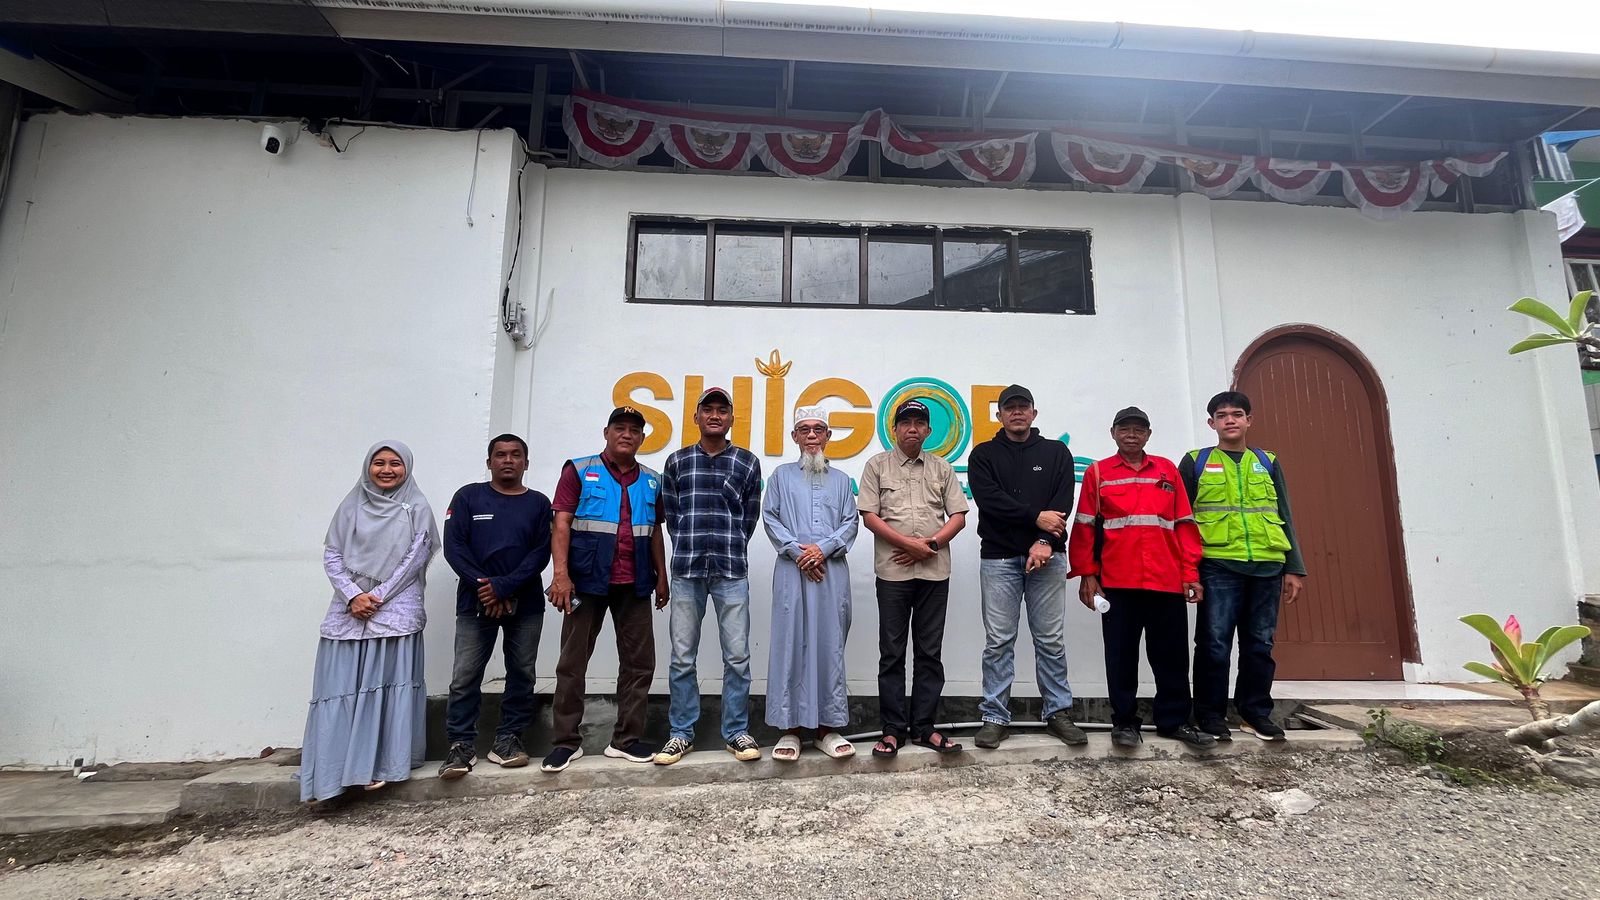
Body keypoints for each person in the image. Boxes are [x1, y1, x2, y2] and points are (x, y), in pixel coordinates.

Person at [1067, 407, 1215, 750]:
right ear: (1113, 433)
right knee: (1121, 657)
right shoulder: (1098, 473)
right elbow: (1085, 527)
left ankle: (1175, 721)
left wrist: (1190, 573)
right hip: (1118, 582)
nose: (1131, 435)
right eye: (1125, 429)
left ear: (1148, 434)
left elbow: (1184, 525)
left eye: (1138, 429)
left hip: (1166, 581)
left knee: (1172, 657)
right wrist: (1087, 575)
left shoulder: (1167, 470)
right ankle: (1124, 723)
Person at [299, 441, 439, 804]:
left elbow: (415, 558)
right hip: (351, 609)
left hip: (394, 610)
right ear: (367, 466)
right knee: (341, 686)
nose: (387, 470)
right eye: (379, 462)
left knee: (385, 684)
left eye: (395, 463)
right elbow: (333, 555)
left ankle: (378, 765)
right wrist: (352, 595)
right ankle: (330, 773)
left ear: (407, 468)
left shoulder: (417, 507)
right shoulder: (351, 505)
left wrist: (376, 596)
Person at [542, 406, 669, 772]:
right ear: (606, 432)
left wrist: (662, 575)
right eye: (619, 428)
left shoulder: (652, 480)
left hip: (635, 582)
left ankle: (626, 740)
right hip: (586, 581)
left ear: (642, 438)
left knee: (639, 664)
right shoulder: (579, 470)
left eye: (634, 430)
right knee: (572, 663)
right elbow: (561, 524)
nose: (626, 434)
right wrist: (561, 575)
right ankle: (566, 742)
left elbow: (654, 530)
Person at [1179, 391, 1308, 742]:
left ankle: (1254, 713)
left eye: (1237, 414)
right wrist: (1188, 571)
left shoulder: (1267, 461)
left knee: (1260, 644)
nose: (1230, 420)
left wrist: (1294, 567)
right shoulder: (1196, 461)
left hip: (1268, 566)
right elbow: (1182, 521)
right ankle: (1210, 714)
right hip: (1218, 566)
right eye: (1222, 416)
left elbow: (1284, 513)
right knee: (1214, 644)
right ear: (1212, 423)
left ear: (1249, 420)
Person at [965, 384, 1086, 749]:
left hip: (1048, 558)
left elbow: (1062, 502)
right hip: (999, 558)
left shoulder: (1056, 452)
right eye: (1010, 407)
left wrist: (1045, 540)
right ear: (999, 415)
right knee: (998, 641)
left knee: (1050, 640)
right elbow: (990, 501)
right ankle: (995, 716)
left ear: (1034, 413)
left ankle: (1058, 713)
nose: (1017, 412)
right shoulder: (983, 455)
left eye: (1023, 407)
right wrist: (1035, 517)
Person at [654, 387, 764, 766]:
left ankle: (736, 731)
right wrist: (691, 543)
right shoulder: (677, 461)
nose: (715, 416)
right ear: (696, 417)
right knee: (682, 658)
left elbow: (749, 517)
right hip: (687, 570)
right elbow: (672, 517)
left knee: (737, 657)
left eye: (722, 410)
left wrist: (729, 543)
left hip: (731, 570)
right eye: (708, 410)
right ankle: (681, 733)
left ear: (731, 419)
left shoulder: (747, 462)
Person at [436, 434, 553, 779]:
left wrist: (504, 586)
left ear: (526, 463)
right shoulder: (468, 497)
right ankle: (460, 745)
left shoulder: (538, 503)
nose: (508, 460)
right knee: (465, 676)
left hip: (525, 603)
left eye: (516, 455)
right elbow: (454, 547)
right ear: (489, 462)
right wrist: (485, 586)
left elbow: (540, 553)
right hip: (476, 603)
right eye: (500, 455)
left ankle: (508, 740)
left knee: (522, 674)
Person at [857, 399, 968, 758]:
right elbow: (869, 516)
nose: (913, 429)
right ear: (894, 429)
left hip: (934, 573)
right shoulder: (877, 466)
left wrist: (930, 545)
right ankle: (892, 730)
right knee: (892, 653)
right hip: (893, 573)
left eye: (919, 423)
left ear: (928, 431)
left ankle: (924, 728)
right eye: (906, 423)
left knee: (929, 653)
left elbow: (958, 516)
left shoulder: (942, 468)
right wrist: (908, 545)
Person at [763, 406, 860, 762]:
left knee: (829, 644)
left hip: (830, 572)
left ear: (828, 436)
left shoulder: (842, 480)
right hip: (792, 572)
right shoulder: (780, 477)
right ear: (795, 437)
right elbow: (770, 517)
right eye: (805, 430)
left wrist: (823, 549)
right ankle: (789, 729)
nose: (812, 436)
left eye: (819, 429)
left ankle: (826, 729)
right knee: (790, 643)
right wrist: (798, 552)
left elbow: (850, 522)